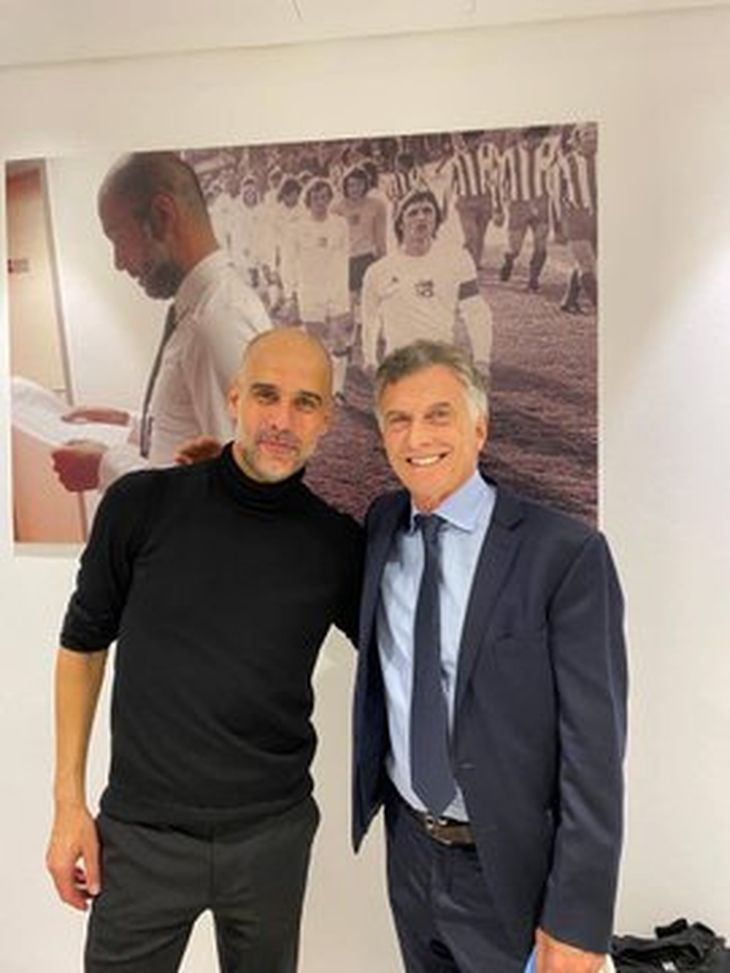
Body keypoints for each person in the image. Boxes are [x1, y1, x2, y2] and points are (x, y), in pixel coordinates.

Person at [46, 329, 363, 973]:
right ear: (235, 397)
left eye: (305, 402)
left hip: (272, 838)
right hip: (141, 838)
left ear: (326, 418)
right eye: (267, 395)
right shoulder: (142, 504)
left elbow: (402, 658)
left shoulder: (335, 545)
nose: (282, 420)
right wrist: (68, 805)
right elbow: (82, 647)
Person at [352, 340, 627, 973]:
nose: (418, 436)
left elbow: (595, 751)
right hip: (411, 854)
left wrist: (578, 919)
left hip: (512, 869)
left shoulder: (565, 554)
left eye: (438, 415)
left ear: (480, 427)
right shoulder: (382, 528)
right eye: (398, 419)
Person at [51, 151, 270, 493]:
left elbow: (238, 492)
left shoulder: (214, 324)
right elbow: (194, 438)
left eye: (117, 238)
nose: (118, 262)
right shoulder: (201, 311)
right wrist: (128, 423)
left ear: (162, 216)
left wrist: (104, 467)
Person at [360, 190, 492, 375]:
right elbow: (370, 317)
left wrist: (482, 359)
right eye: (413, 213)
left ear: (436, 220)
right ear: (400, 223)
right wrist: (370, 357)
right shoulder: (379, 271)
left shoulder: (458, 260)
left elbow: (475, 311)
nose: (421, 217)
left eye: (428, 211)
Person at [282, 178, 353, 401]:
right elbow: (288, 263)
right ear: (308, 200)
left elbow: (344, 259)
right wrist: (291, 294)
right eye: (316, 198)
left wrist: (345, 290)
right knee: (316, 341)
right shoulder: (297, 228)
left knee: (339, 339)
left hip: (336, 289)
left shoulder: (340, 224)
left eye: (324, 197)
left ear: (330, 199)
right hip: (309, 290)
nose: (320, 202)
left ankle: (338, 390)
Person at [498, 126, 558, 291]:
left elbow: (559, 171)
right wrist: (499, 208)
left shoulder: (548, 151)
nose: (537, 141)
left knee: (541, 244)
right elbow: (500, 182)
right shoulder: (510, 155)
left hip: (541, 203)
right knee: (515, 248)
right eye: (534, 137)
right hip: (518, 205)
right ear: (524, 137)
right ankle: (509, 259)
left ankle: (533, 279)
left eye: (540, 137)